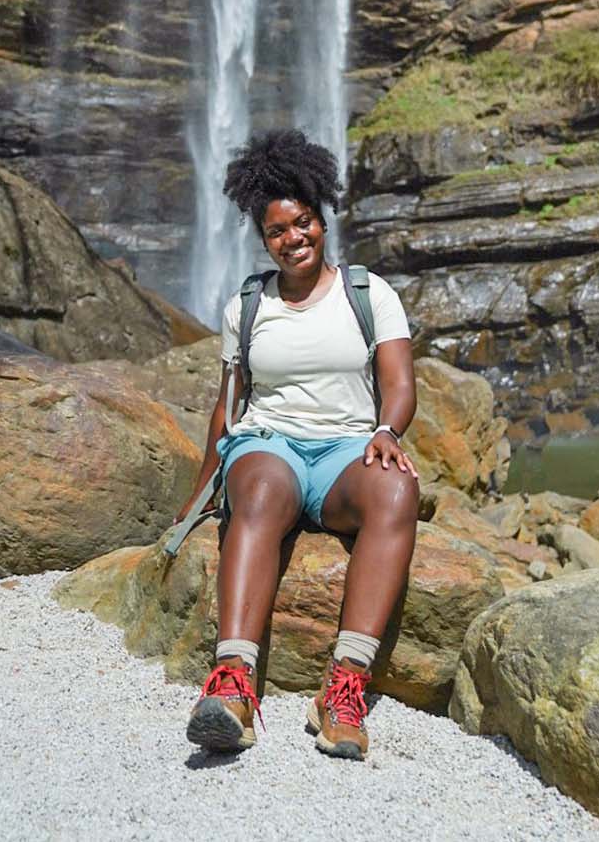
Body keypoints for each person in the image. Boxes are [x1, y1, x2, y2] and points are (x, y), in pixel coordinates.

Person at [181, 128, 419, 762]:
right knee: (256, 487)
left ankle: (343, 690)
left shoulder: (370, 294)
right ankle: (233, 687)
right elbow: (227, 406)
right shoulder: (249, 305)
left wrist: (386, 432)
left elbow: (398, 385)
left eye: (304, 222)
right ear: (264, 239)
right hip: (271, 446)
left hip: (346, 454)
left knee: (398, 488)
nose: (294, 239)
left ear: (322, 218)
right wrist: (202, 491)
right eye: (278, 231)